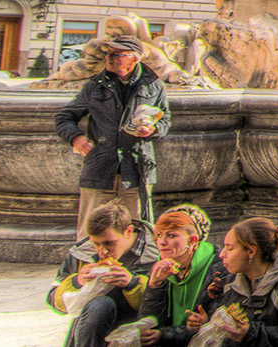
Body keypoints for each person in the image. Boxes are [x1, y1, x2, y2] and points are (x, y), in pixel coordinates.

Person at [54, 35, 169, 232]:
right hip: (99, 170)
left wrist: (153, 129)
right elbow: (64, 117)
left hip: (136, 170)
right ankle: (89, 265)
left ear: (134, 59)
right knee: (89, 234)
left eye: (116, 54)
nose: (109, 57)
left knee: (135, 234)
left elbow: (165, 120)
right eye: (108, 53)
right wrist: (76, 138)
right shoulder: (94, 85)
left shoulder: (153, 86)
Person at [186, 217, 278, 346]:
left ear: (251, 251)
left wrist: (250, 333)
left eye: (230, 248)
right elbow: (232, 330)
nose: (222, 254)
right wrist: (209, 323)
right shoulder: (233, 281)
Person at [47, 201, 160, 347]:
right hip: (92, 328)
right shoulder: (82, 253)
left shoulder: (158, 251)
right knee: (100, 305)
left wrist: (132, 284)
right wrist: (76, 282)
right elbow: (53, 300)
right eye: (96, 243)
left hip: (137, 328)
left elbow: (163, 307)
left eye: (109, 243)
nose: (102, 251)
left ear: (128, 231)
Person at [140, 203, 229, 346]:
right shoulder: (160, 266)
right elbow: (148, 323)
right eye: (159, 235)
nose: (161, 242)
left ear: (192, 240)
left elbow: (217, 327)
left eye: (171, 235)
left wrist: (206, 323)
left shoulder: (218, 269)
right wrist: (154, 286)